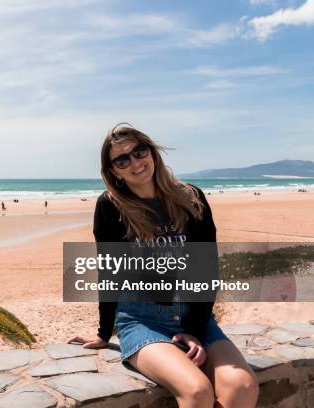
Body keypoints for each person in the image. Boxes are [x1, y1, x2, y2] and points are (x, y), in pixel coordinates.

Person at [68, 124, 258, 408]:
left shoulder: (191, 197)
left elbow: (206, 269)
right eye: (122, 160)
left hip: (195, 316)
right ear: (114, 171)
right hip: (142, 321)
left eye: (139, 151)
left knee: (242, 385)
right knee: (196, 391)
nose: (135, 162)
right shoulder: (110, 207)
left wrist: (193, 327)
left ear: (151, 152)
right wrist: (104, 332)